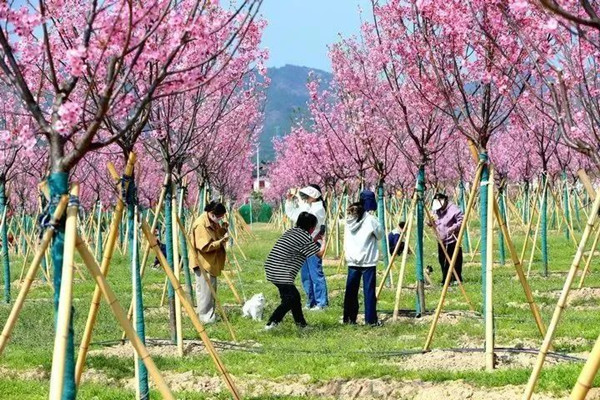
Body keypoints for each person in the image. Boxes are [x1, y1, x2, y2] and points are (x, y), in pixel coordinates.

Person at [264, 212, 326, 329]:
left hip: (272, 268)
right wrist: (323, 241)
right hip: (281, 272)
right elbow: (319, 254)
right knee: (290, 299)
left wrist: (315, 239)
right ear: (311, 227)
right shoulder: (305, 237)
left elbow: (303, 243)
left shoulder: (292, 231)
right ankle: (272, 323)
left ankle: (301, 325)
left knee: (293, 297)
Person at [285, 185, 328, 310]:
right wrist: (289, 201)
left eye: (307, 196)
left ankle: (321, 302)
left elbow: (306, 217)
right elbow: (294, 214)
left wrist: (298, 197)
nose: (305, 198)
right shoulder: (309, 206)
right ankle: (311, 301)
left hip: (313, 244)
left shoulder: (318, 208)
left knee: (315, 274)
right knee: (305, 275)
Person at [343, 202, 384, 326]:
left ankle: (349, 319)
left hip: (352, 260)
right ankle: (370, 320)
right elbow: (380, 235)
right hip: (368, 261)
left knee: (351, 291)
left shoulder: (348, 221)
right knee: (369, 292)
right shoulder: (371, 219)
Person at [190, 201, 229, 324]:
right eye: (219, 217)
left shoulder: (211, 221)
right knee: (205, 293)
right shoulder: (201, 224)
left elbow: (215, 235)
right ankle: (205, 318)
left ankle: (209, 315)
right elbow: (204, 246)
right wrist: (221, 242)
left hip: (210, 262)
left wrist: (223, 230)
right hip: (203, 263)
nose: (220, 219)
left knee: (210, 290)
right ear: (212, 213)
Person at [428, 193, 464, 284]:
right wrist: (430, 222)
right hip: (441, 239)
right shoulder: (436, 210)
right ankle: (446, 279)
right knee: (442, 260)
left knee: (453, 260)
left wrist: (453, 228)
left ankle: (455, 279)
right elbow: (431, 221)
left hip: (452, 239)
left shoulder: (453, 209)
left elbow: (461, 220)